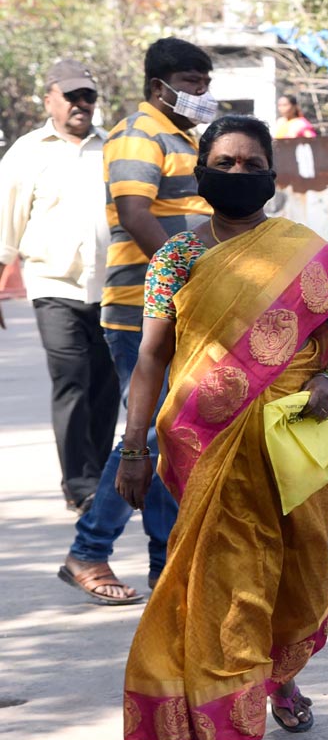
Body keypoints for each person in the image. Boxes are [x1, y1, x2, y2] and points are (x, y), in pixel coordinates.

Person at [117, 115, 328, 740]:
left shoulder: (302, 248)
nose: (236, 173)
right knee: (231, 580)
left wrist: (324, 376)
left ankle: (278, 676)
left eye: (250, 162)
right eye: (223, 163)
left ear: (273, 174)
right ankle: (234, 729)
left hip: (293, 441)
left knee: (295, 569)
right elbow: (150, 358)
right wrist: (133, 447)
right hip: (207, 444)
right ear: (200, 171)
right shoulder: (176, 258)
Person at [57, 38, 215, 603]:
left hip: (182, 306)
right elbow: (134, 213)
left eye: (204, 83)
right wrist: (188, 279)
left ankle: (163, 562)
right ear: (159, 87)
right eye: (191, 82)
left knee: (168, 435)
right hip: (140, 309)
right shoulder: (137, 134)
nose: (201, 93)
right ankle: (89, 550)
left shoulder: (183, 137)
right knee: (144, 433)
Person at [0, 59, 120, 519]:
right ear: (49, 98)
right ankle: (79, 483)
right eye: (71, 96)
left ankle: (100, 473)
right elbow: (6, 227)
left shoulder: (111, 148)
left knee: (106, 388)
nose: (81, 105)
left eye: (87, 96)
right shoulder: (27, 153)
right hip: (54, 285)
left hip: (110, 287)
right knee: (71, 382)